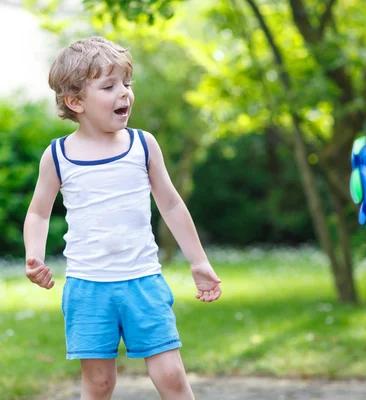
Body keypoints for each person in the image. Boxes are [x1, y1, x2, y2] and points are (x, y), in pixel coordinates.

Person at [23, 36, 222, 400]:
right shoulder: (58, 155)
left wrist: (199, 261)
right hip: (88, 288)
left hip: (142, 281)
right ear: (75, 101)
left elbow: (171, 204)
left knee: (172, 376)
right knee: (99, 384)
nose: (125, 94)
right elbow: (38, 211)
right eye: (109, 86)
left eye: (127, 84)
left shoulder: (142, 145)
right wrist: (33, 255)